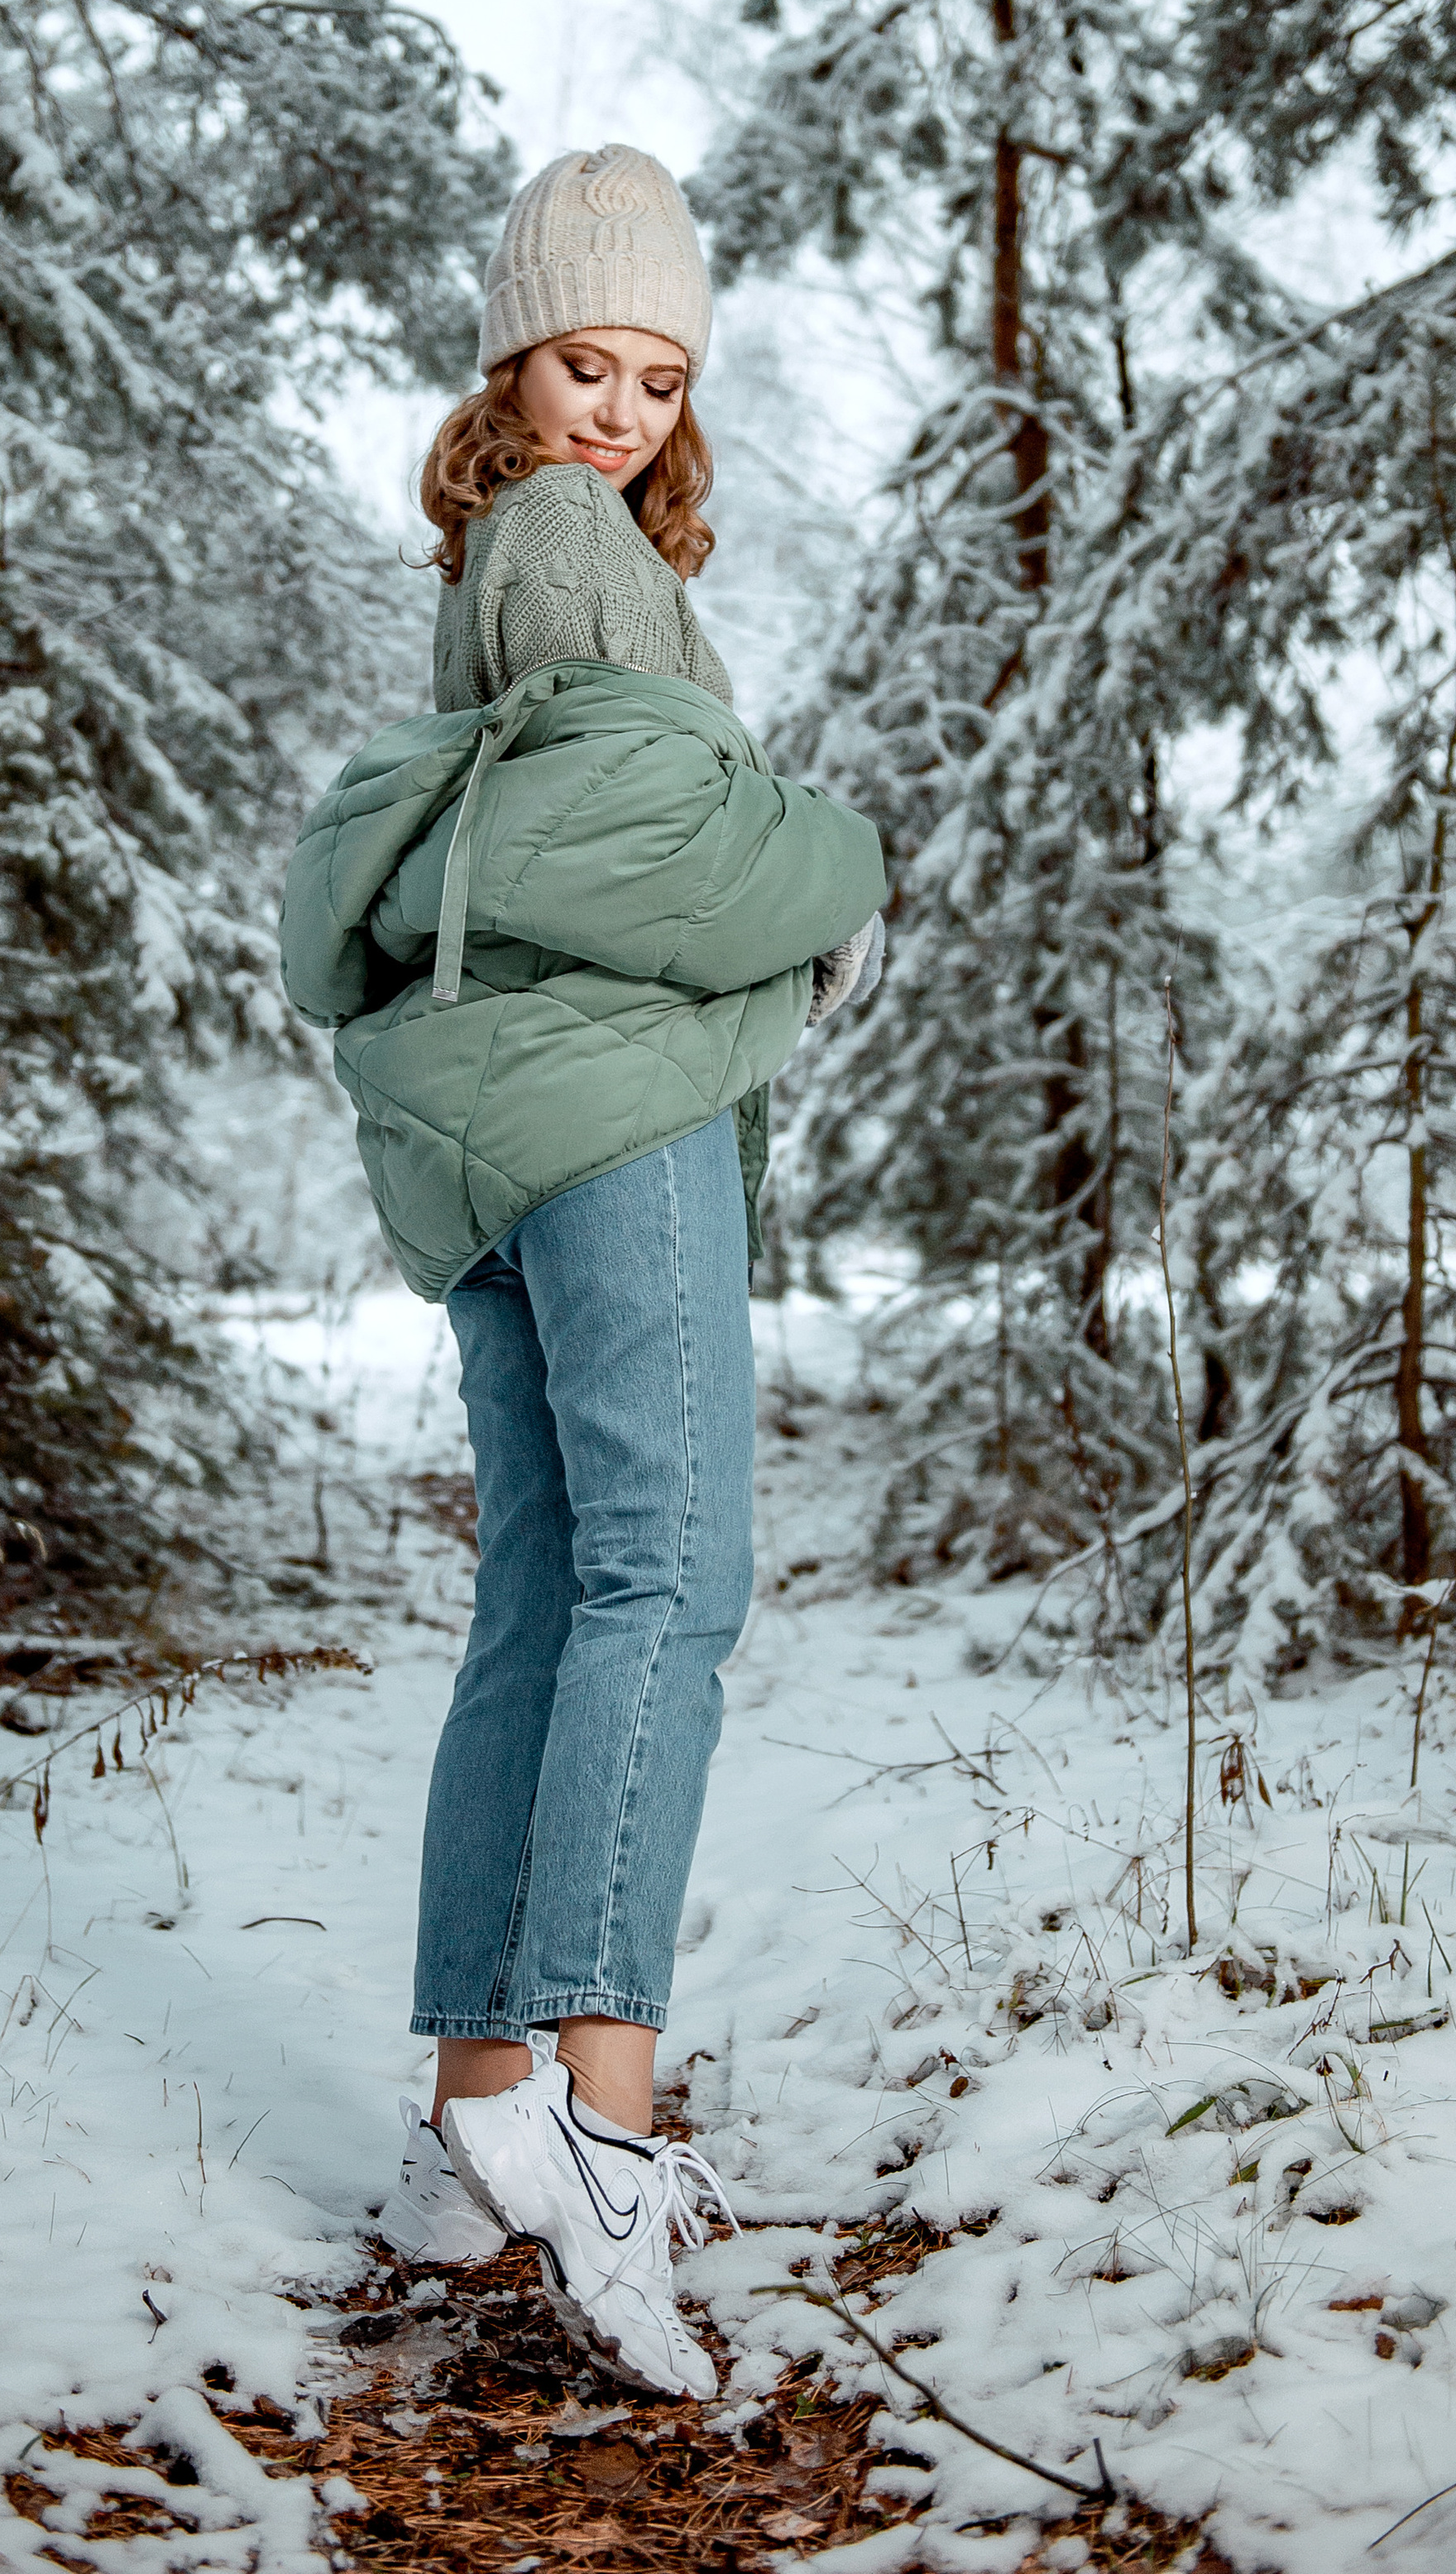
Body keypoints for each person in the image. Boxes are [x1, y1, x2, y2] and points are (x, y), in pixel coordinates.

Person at [278, 143, 886, 2399]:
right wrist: (840, 866)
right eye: (578, 358)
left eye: (651, 372)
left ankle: (471, 2135)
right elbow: (646, 847)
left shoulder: (507, 546)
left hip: (499, 1136)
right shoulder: (562, 535)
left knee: (540, 1595)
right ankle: (607, 2135)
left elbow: (584, 838)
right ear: (508, 358)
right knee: (668, 1579)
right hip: (607, 1125)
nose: (616, 405)